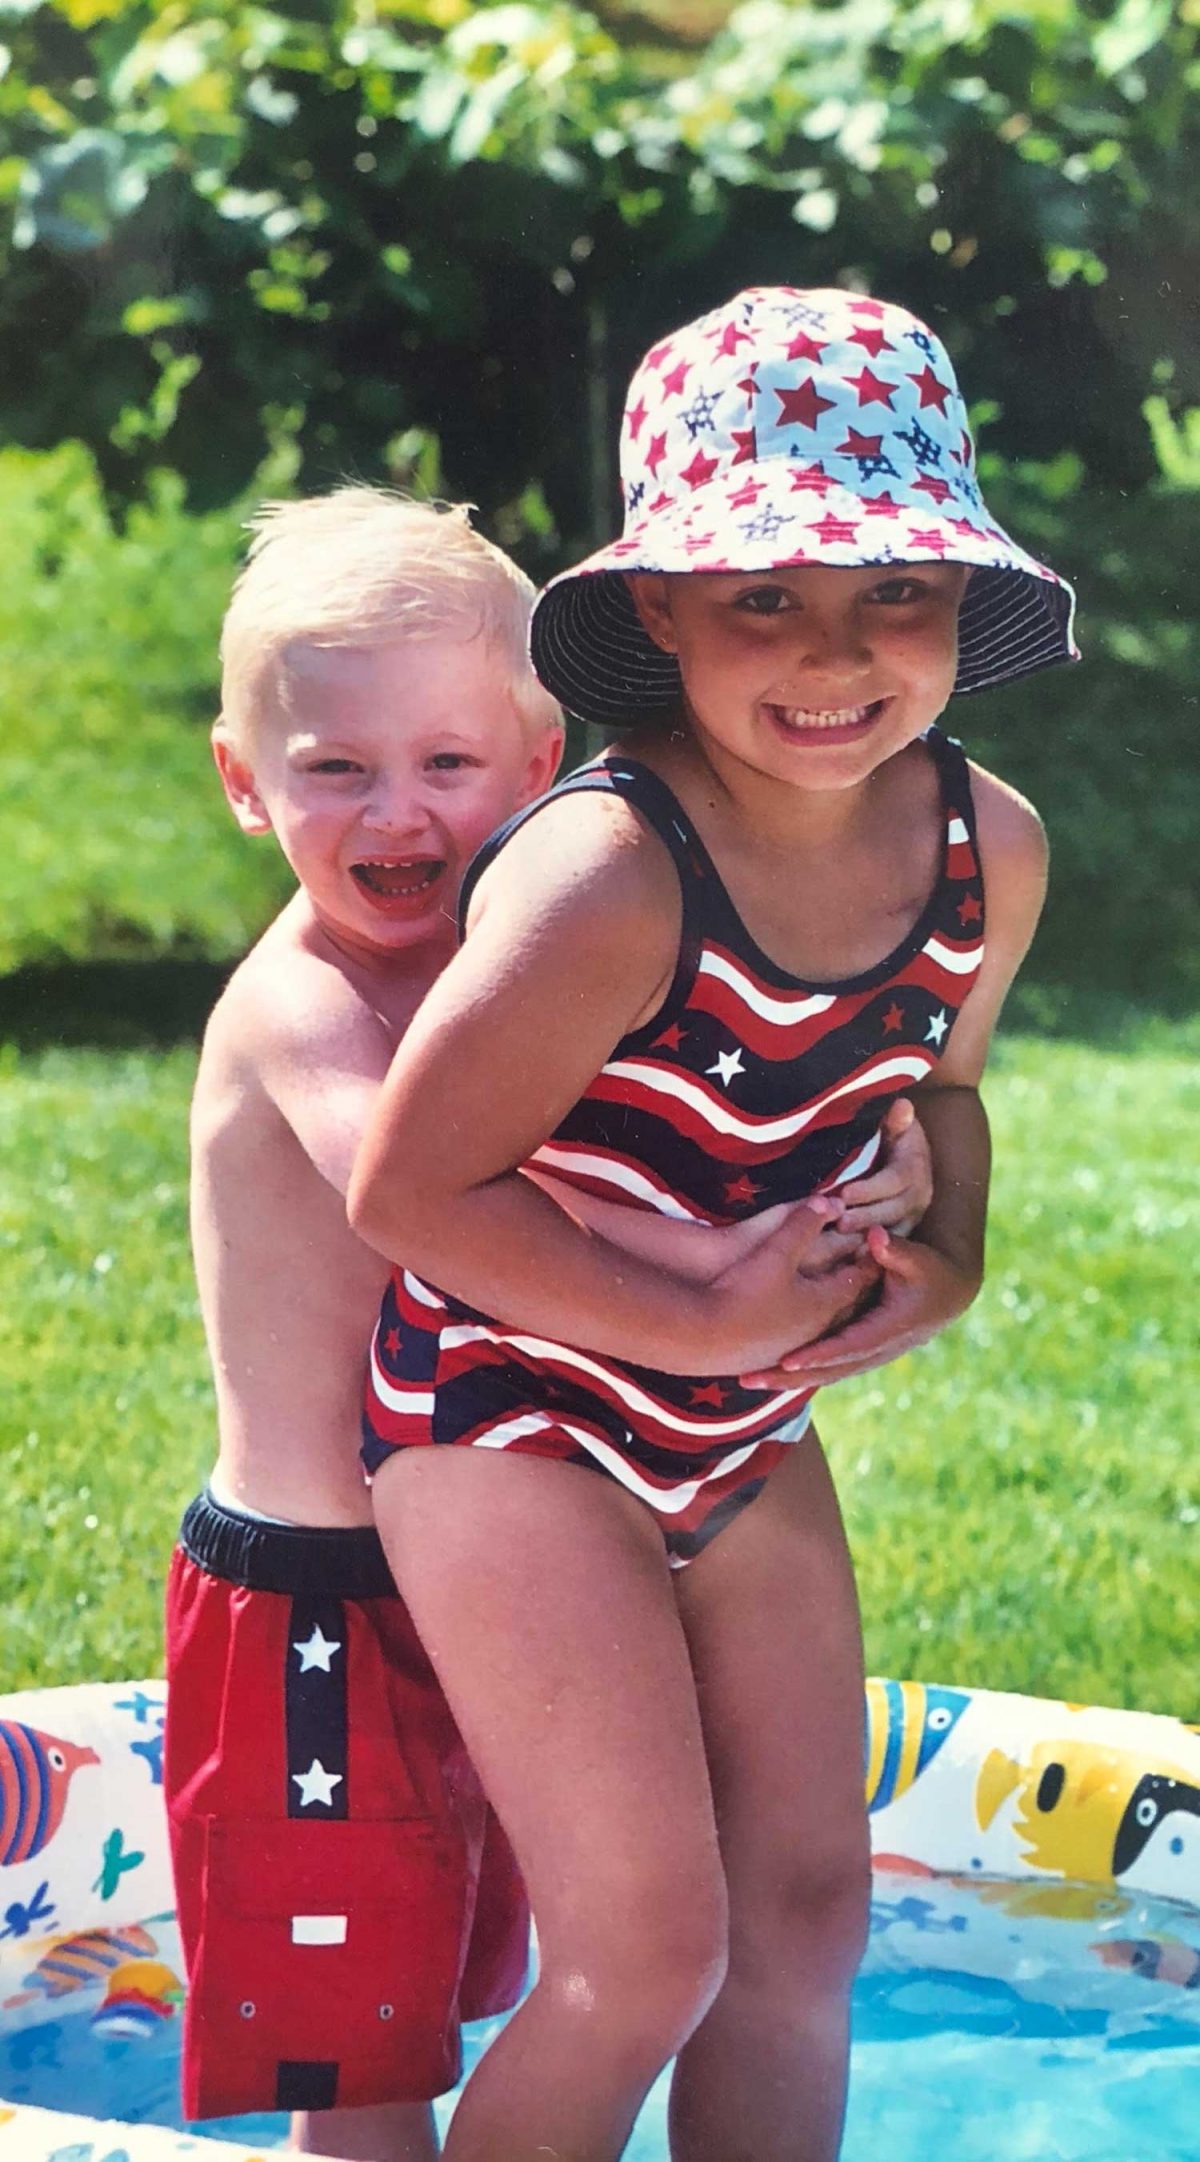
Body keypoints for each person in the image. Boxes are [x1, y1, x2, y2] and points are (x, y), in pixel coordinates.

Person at [348, 286, 1076, 2162]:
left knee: (811, 1919)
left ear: (961, 600)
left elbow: (950, 1088)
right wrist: (697, 1330)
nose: (834, 652)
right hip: (514, 1419)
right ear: (658, 610)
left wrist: (955, 1246)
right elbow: (411, 1187)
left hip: (744, 1431)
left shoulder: (987, 846)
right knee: (644, 1948)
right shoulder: (609, 873)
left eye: (890, 592)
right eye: (765, 594)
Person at [162, 488, 564, 2160]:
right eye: (335, 767)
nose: (399, 809)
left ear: (540, 767)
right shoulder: (307, 1004)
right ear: (248, 785)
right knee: (360, 2060)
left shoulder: (497, 973)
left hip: (466, 1585)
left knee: (460, 1985)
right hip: (314, 1615)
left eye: (448, 764)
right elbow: (434, 1199)